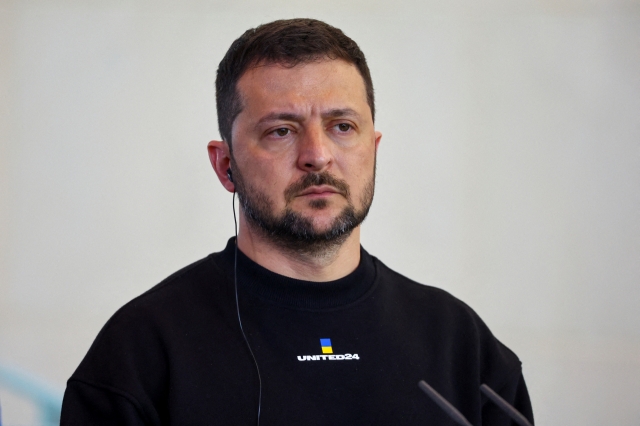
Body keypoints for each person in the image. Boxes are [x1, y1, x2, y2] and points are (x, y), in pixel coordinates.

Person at [61, 18, 534, 425]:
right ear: (225, 165)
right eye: (281, 131)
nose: (317, 156)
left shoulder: (461, 346)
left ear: (373, 148)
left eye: (342, 126)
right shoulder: (141, 352)